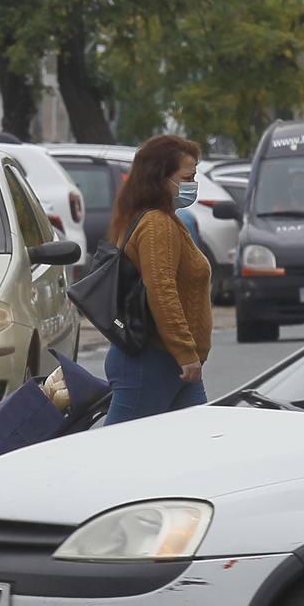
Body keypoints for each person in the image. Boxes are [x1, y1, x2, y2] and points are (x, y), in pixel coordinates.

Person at [103, 134, 213, 426]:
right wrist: (185, 352)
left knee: (197, 444)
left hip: (173, 363)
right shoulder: (157, 225)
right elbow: (161, 291)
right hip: (153, 362)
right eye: (187, 177)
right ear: (161, 179)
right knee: (115, 451)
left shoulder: (169, 220)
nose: (193, 183)